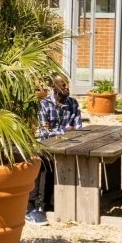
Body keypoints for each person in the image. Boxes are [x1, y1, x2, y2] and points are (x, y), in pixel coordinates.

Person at [26, 75, 82, 225]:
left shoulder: (73, 103)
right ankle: (33, 207)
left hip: (66, 145)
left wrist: (58, 130)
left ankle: (52, 203)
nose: (67, 89)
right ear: (54, 88)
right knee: (42, 162)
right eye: (63, 85)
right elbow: (44, 133)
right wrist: (65, 130)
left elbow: (78, 128)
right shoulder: (44, 104)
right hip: (43, 146)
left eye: (68, 85)